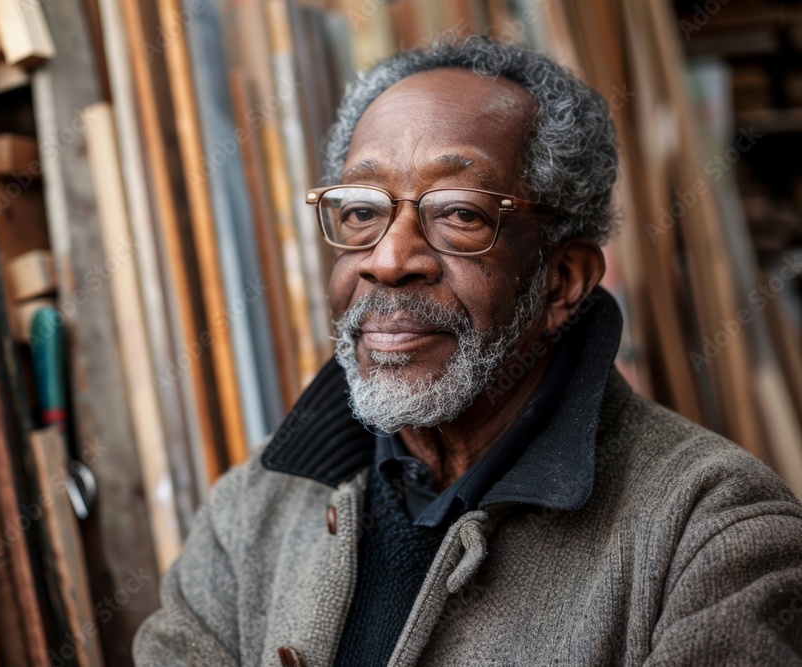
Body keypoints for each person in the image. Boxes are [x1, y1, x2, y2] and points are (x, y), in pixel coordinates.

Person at [134, 36, 802, 666]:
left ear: (562, 280)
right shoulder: (253, 511)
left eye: (460, 213)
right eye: (362, 212)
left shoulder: (710, 532)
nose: (388, 260)